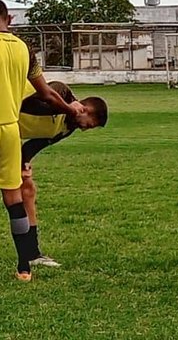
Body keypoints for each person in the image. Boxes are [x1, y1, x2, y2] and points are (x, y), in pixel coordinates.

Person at [0, 0, 84, 281]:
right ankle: (24, 266)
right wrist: (69, 108)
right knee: (13, 198)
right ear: (9, 19)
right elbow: (48, 93)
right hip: (10, 132)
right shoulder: (25, 50)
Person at [18, 81, 108, 267]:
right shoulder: (61, 91)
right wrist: (66, 108)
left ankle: (32, 253)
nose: (84, 129)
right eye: (89, 125)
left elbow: (35, 144)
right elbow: (29, 104)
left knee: (28, 189)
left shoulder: (68, 129)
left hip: (6, 136)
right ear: (84, 109)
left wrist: (24, 163)